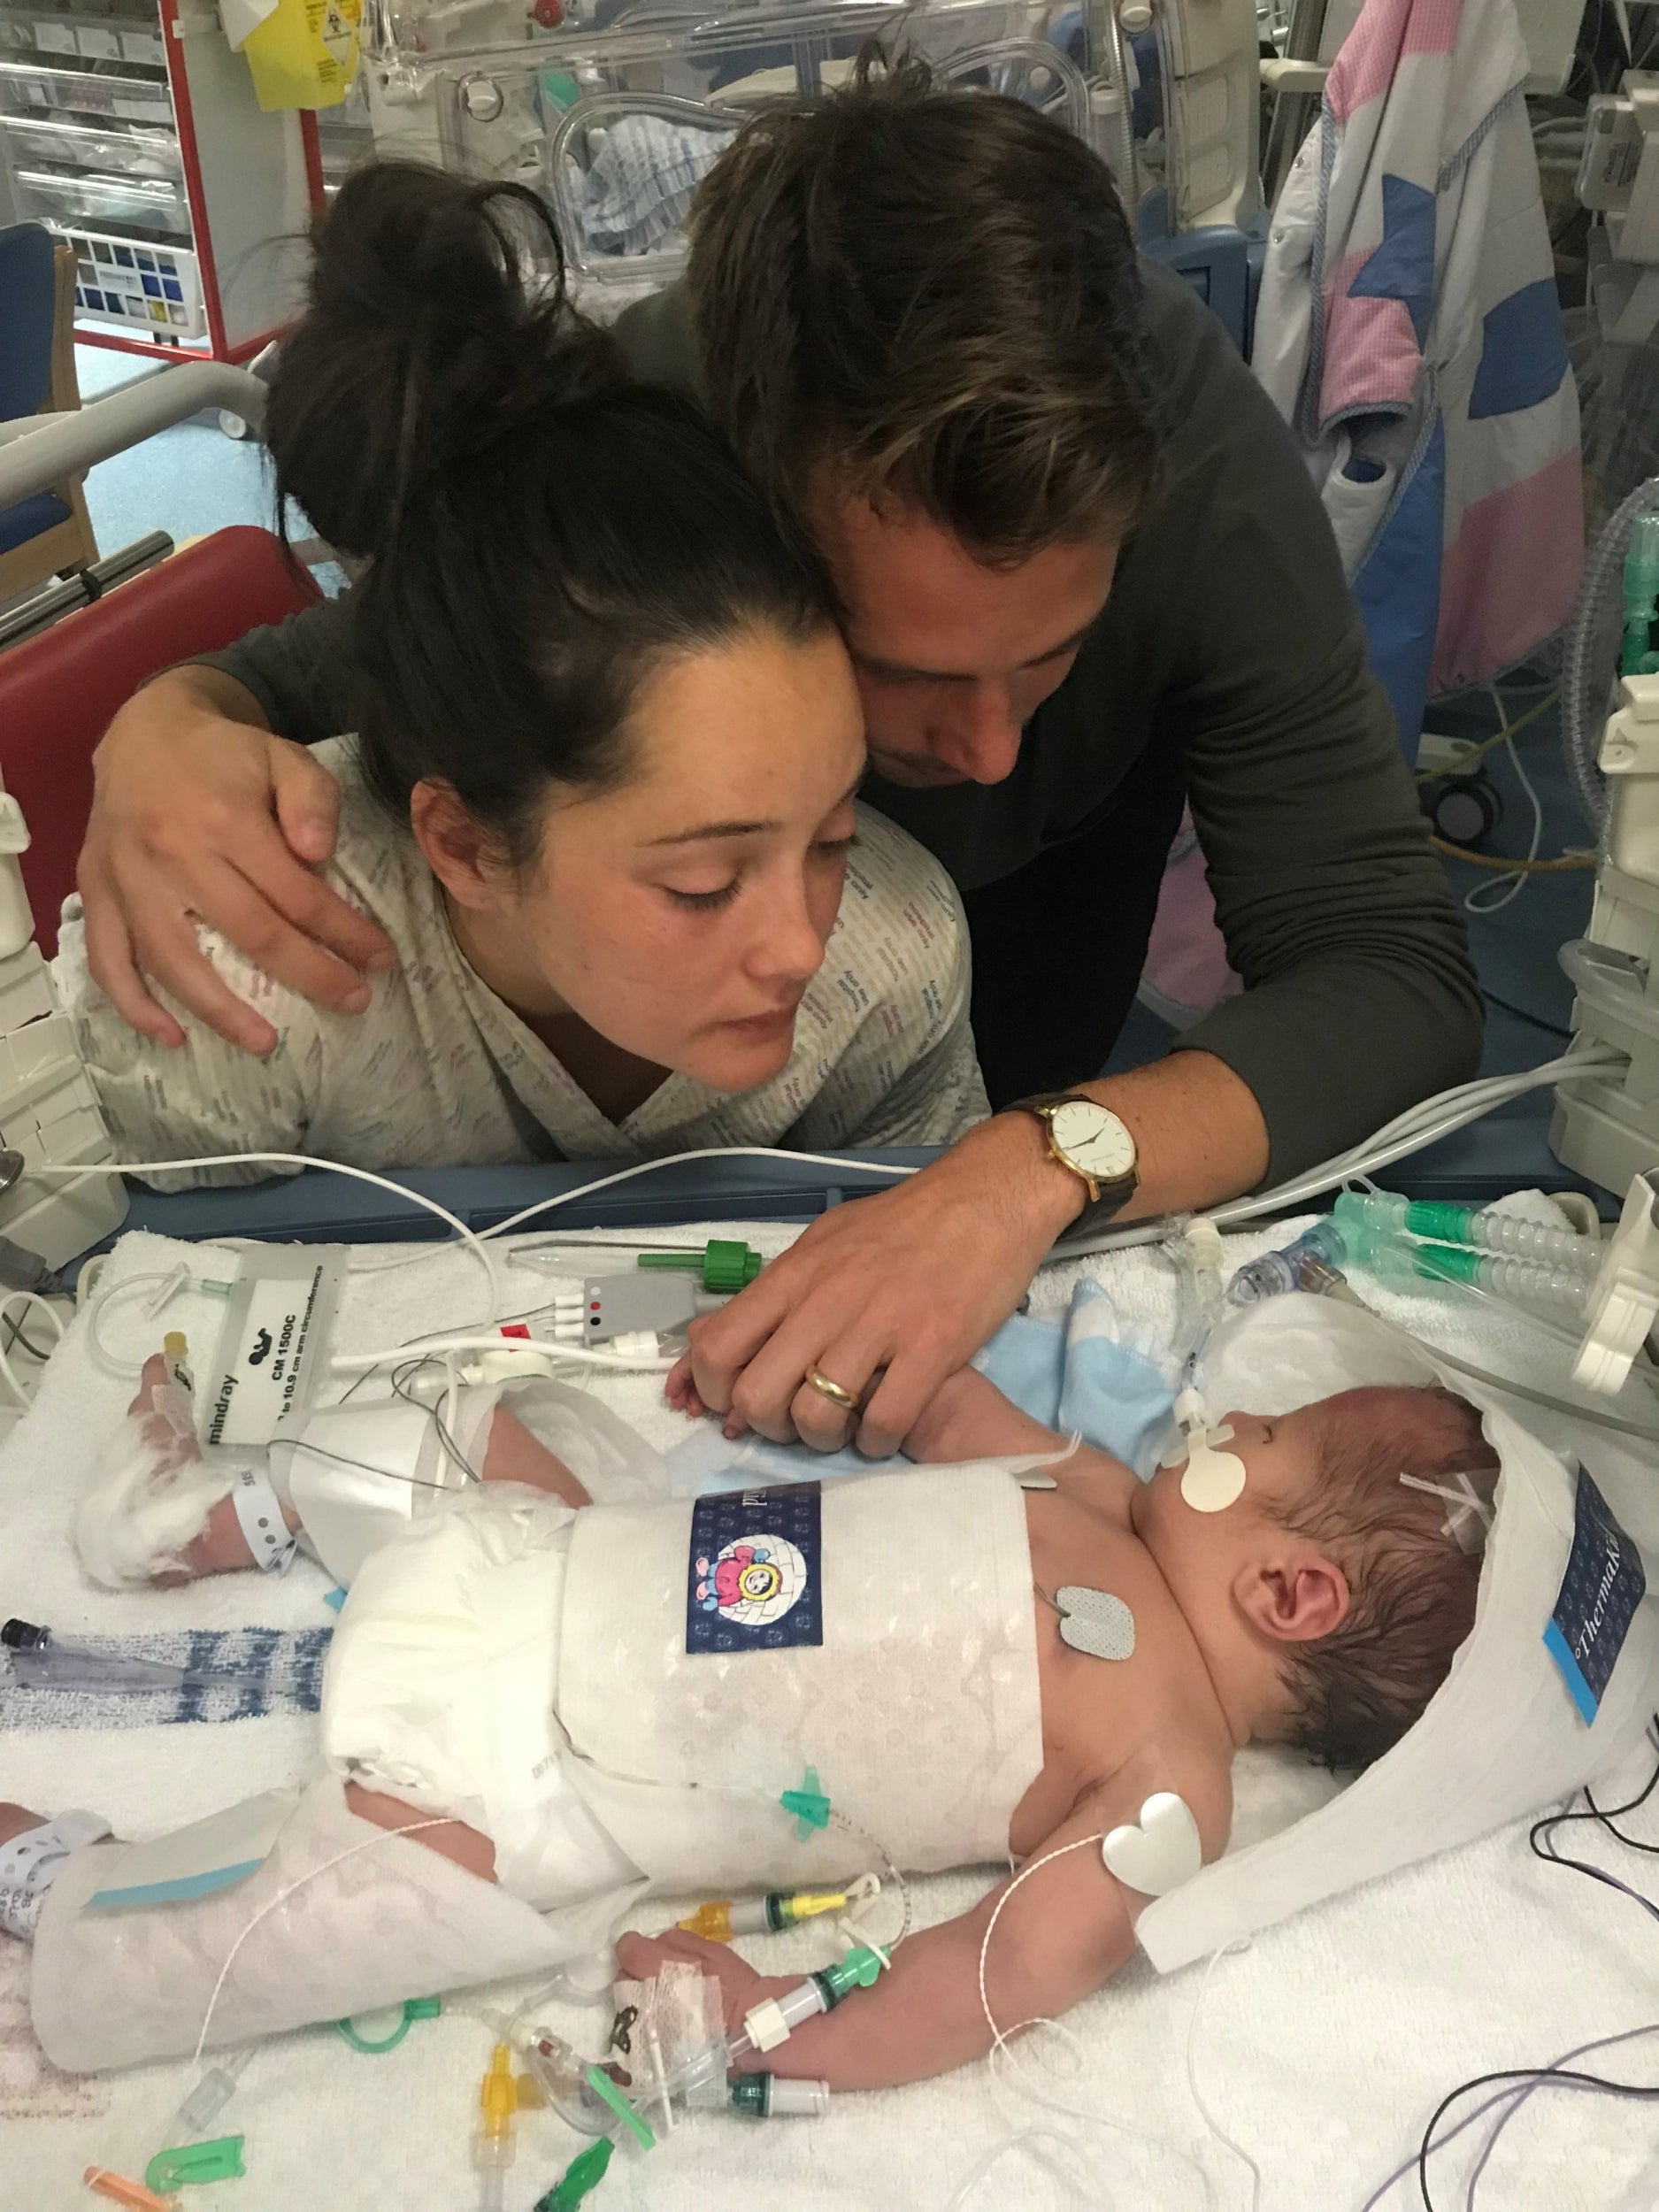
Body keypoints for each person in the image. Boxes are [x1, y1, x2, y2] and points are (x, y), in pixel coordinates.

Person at [73, 63, 1480, 1434]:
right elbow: (388, 660)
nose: (990, 752)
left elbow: (1388, 968)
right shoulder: (664, 420)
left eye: (1049, 658)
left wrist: (1023, 1166)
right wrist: (169, 719)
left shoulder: (1188, 484)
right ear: (745, 521)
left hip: (994, 1010)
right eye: (901, 674)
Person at [4, 1363, 1494, 2084]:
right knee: (445, 1428)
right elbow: (948, 1410)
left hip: (564, 1776)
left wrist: (760, 2021)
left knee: (329, 1919)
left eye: (1268, 1436)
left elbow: (984, 1977)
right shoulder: (1100, 1493)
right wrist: (859, 1357)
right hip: (579, 1559)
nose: (1225, 1418)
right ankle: (181, 1517)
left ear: (1290, 1592)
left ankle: (61, 1885)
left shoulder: (1166, 1783)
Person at [51, 165, 987, 1189]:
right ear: (465, 846)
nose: (801, 948)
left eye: (832, 838)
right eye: (705, 885)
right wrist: (166, 711)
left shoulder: (890, 960)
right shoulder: (238, 988)